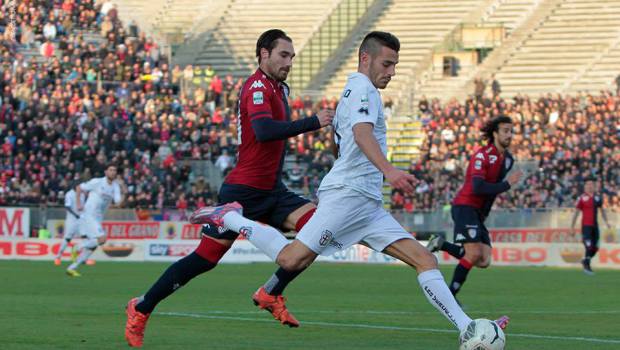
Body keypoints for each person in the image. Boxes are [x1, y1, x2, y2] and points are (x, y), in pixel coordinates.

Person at [192, 31, 509, 335]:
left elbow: (342, 141)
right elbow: (361, 133)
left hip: (367, 204)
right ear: (365, 59)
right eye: (387, 64)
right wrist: (390, 171)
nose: (392, 72)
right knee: (290, 258)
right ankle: (229, 217)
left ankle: (468, 328)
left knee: (424, 258)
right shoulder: (363, 90)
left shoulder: (351, 92)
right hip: (347, 197)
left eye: (395, 65)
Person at [124, 29, 334, 347]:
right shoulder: (257, 87)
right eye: (283, 55)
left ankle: (270, 292)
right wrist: (313, 122)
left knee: (320, 230)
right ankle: (141, 308)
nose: (289, 62)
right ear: (264, 53)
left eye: (292, 56)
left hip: (273, 192)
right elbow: (263, 131)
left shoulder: (279, 88)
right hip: (241, 193)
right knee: (203, 260)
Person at [426, 116, 522, 301]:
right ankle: (449, 297)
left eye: (511, 131)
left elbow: (492, 189)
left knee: (484, 260)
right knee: (474, 253)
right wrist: (507, 184)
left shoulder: (507, 159)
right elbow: (478, 187)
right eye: (505, 131)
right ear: (495, 133)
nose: (509, 135)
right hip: (465, 206)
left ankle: (442, 244)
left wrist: (484, 212)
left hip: (478, 212)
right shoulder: (482, 155)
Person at [66, 164, 125, 277]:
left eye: (115, 170)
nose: (113, 172)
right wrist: (79, 203)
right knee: (102, 239)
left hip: (98, 218)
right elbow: (79, 188)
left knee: (93, 246)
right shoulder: (97, 182)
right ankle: (78, 247)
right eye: (111, 170)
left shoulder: (115, 186)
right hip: (89, 215)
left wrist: (124, 191)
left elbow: (118, 203)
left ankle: (72, 268)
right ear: (106, 172)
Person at [570, 179, 611, 275]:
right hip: (586, 226)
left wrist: (607, 222)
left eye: (591, 184)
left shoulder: (597, 198)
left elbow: (602, 211)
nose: (589, 186)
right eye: (588, 184)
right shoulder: (582, 198)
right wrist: (571, 227)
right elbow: (576, 213)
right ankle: (587, 268)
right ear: (585, 186)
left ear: (594, 186)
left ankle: (585, 260)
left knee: (595, 248)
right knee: (588, 246)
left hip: (595, 226)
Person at [54, 184, 86, 266]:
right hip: (72, 219)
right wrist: (76, 215)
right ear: (74, 186)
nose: (81, 188)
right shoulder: (69, 194)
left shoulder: (82, 194)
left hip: (81, 219)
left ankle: (82, 258)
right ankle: (58, 256)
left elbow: (84, 206)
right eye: (79, 186)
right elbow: (67, 206)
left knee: (85, 237)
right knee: (68, 238)